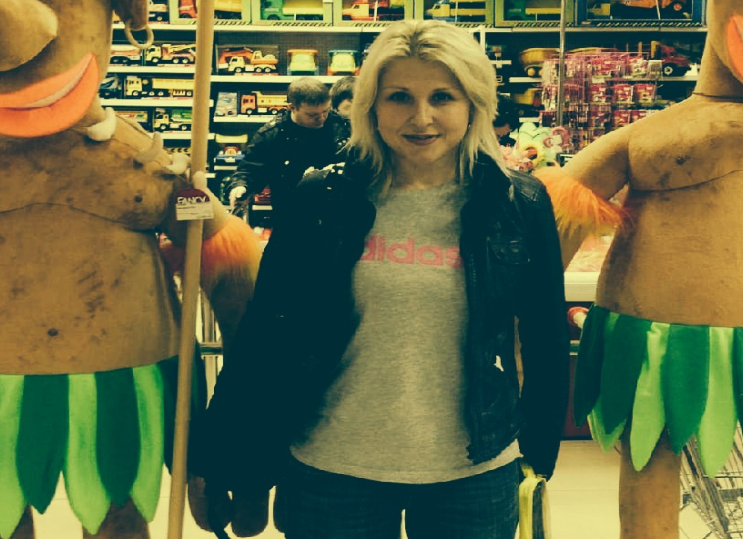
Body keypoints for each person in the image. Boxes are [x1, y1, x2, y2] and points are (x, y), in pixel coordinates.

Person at [193, 18, 570, 539]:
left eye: (443, 96)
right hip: (331, 467)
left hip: (475, 472)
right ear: (371, 106)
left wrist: (539, 455)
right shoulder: (321, 198)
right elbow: (266, 333)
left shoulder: (518, 202)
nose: (421, 117)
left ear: (474, 104)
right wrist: (224, 455)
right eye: (399, 97)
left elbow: (546, 338)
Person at [221, 76, 349, 224]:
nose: (321, 118)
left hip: (336, 218)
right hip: (289, 217)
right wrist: (240, 186)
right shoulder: (273, 134)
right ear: (292, 107)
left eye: (325, 111)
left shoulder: (341, 126)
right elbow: (250, 169)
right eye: (312, 115)